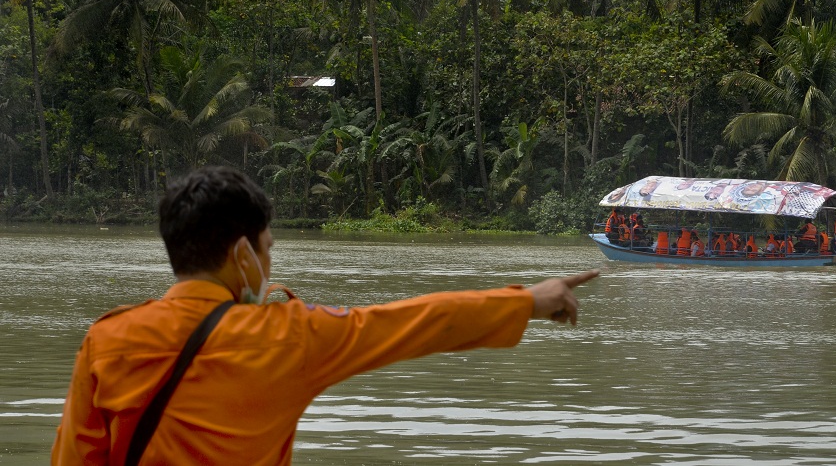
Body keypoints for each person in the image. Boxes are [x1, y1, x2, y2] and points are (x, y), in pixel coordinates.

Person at [51, 167, 600, 465]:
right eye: (266, 248)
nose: (269, 261)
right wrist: (530, 299)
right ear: (243, 255)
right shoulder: (288, 335)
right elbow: (418, 322)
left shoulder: (107, 341)